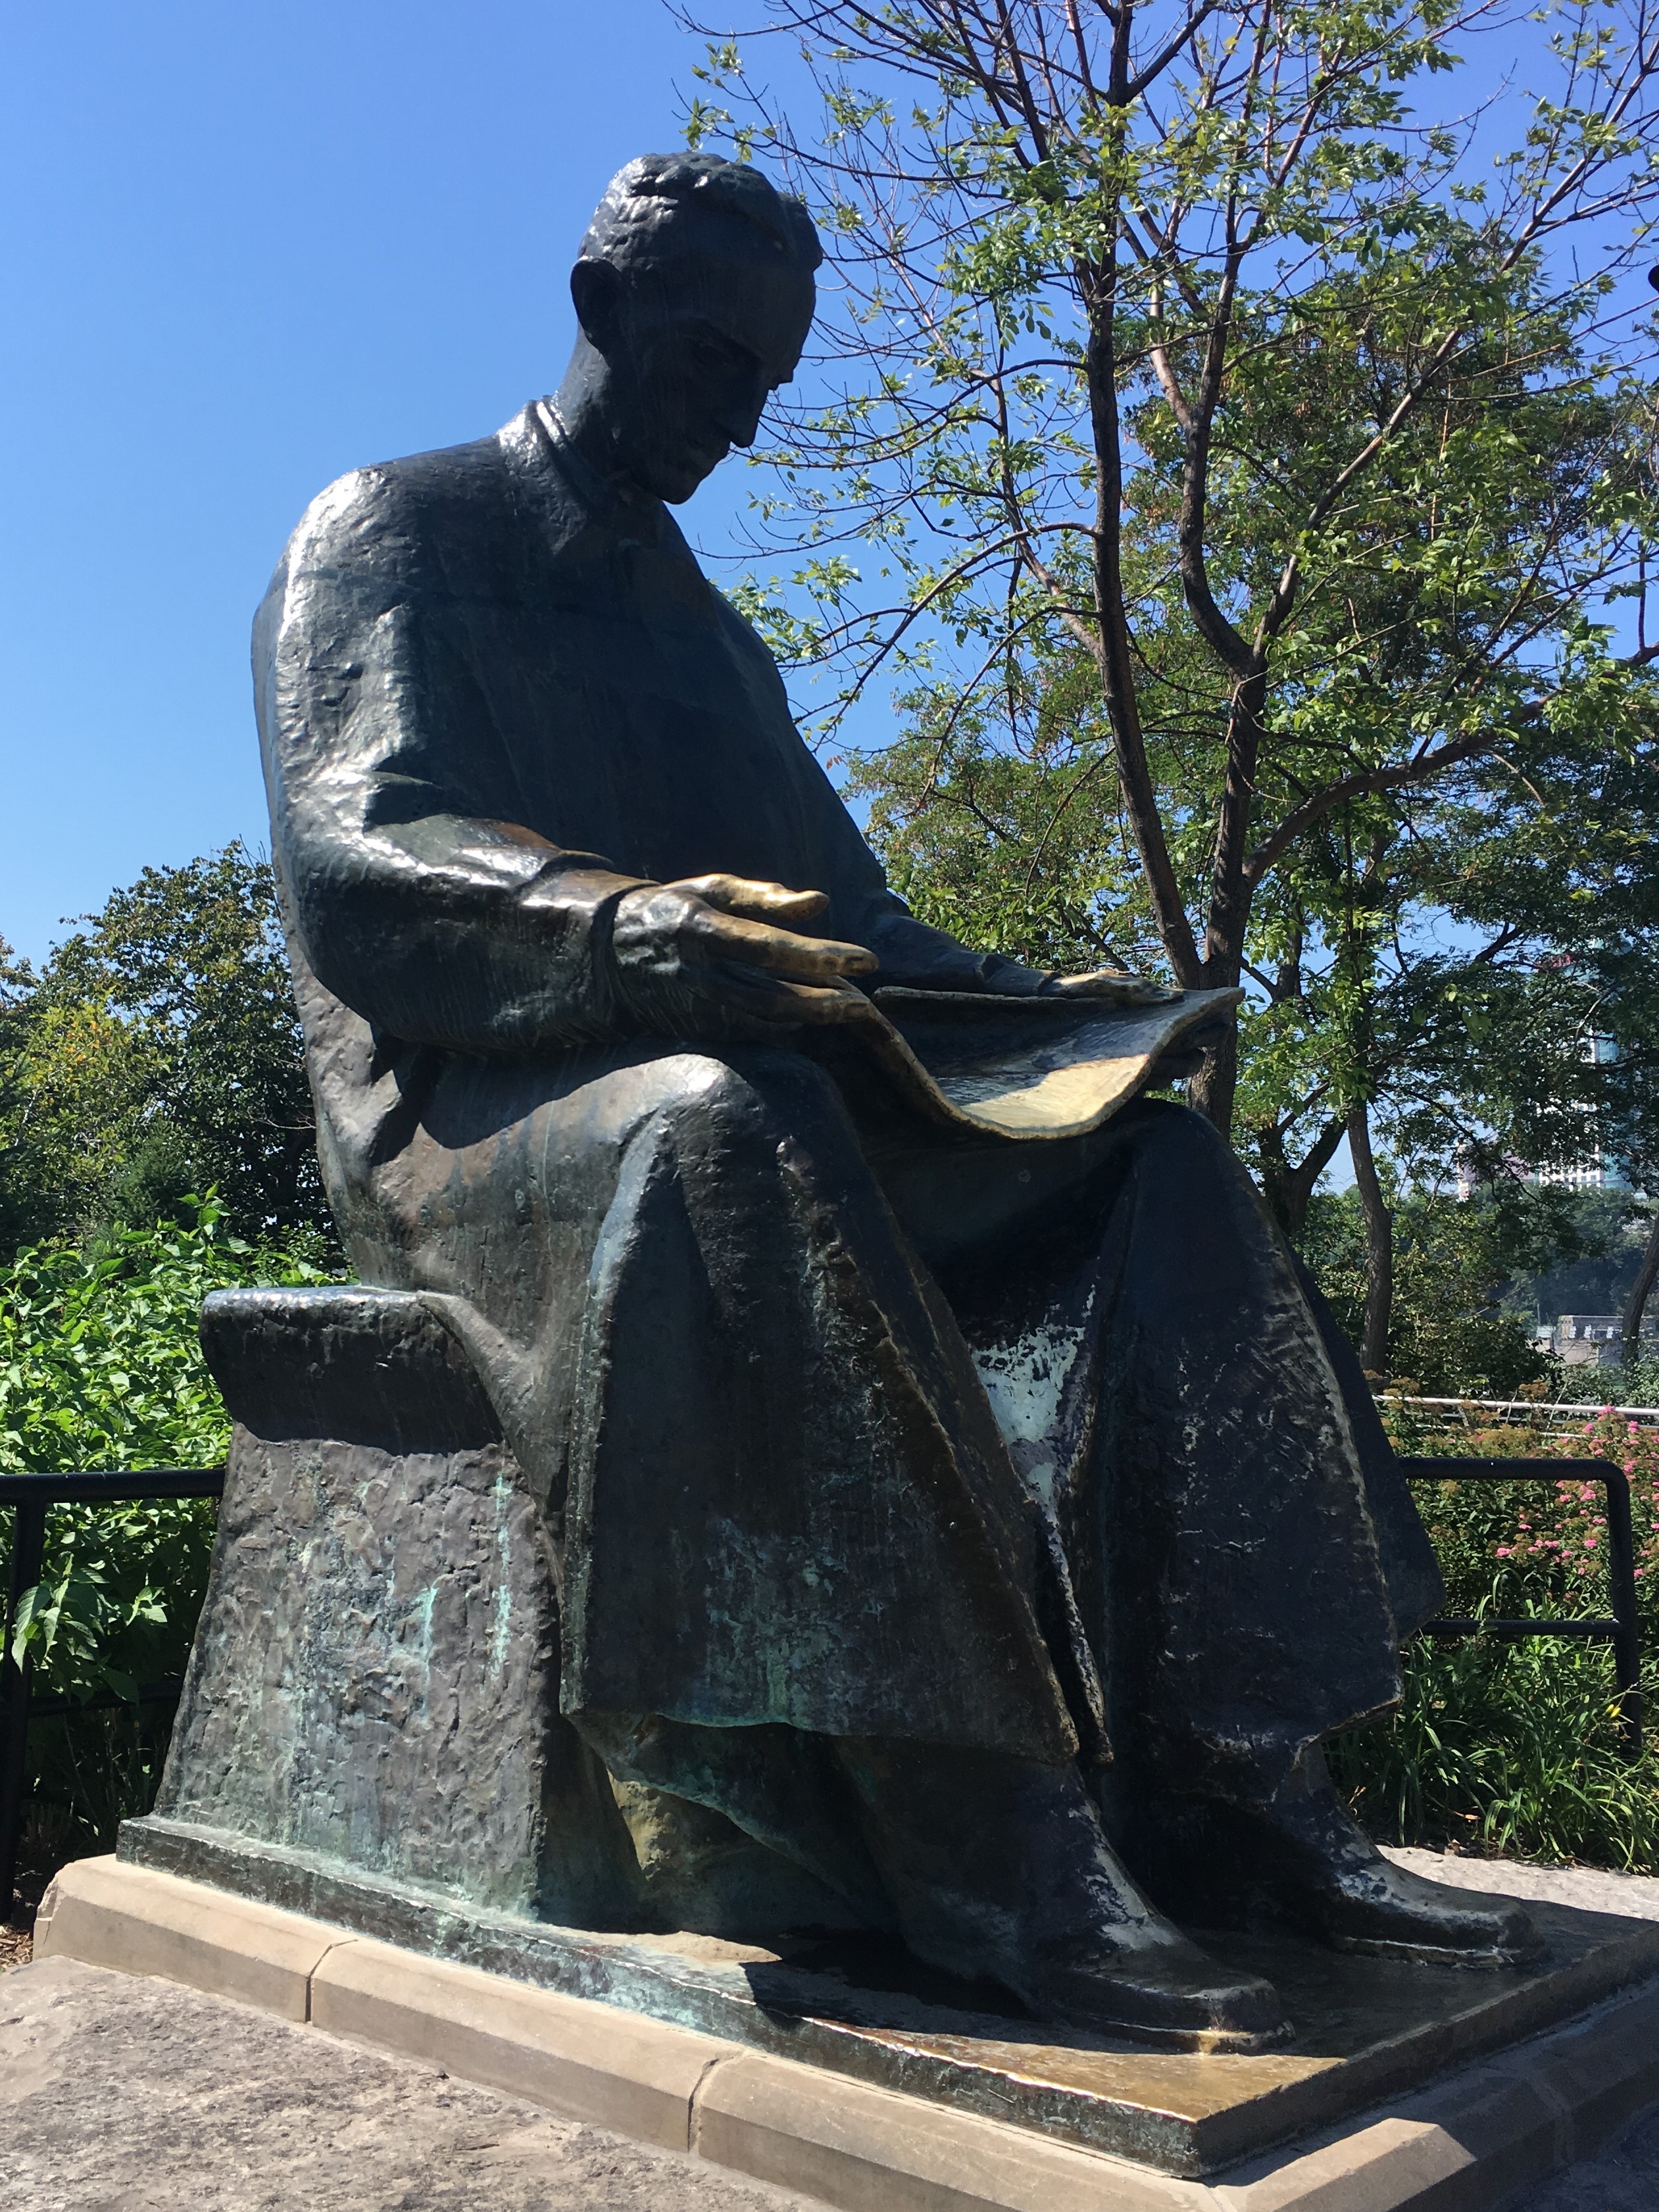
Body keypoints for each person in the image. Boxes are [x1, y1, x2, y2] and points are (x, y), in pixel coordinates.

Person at [255, 152, 1536, 2050]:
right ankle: (992, 1845)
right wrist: (620, 928)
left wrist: (1052, 1010)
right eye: (715, 364)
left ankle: (1245, 1781)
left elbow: (849, 922)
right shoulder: (397, 528)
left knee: (1156, 1165)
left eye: (769, 384)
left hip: (747, 1078)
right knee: (714, 1127)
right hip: (469, 1114)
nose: (740, 421)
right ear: (603, 310)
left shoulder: (710, 636)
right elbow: (360, 851)